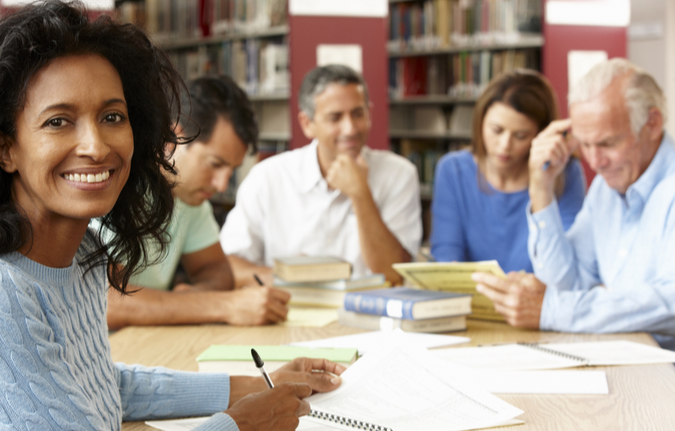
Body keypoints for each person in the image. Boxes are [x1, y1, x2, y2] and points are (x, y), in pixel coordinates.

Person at [0, 2, 344, 431]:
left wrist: (259, 384)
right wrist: (243, 426)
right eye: (59, 121)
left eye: (112, 116)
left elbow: (104, 385)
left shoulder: (82, 253)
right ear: (5, 147)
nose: (96, 146)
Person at [472, 58, 675, 350]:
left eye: (607, 143)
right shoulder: (606, 189)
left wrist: (553, 309)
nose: (594, 162)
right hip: (616, 357)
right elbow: (566, 284)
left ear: (652, 124)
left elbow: (669, 303)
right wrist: (541, 188)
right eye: (584, 144)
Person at [100, 76, 290, 329]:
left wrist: (191, 300)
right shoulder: (115, 187)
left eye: (231, 170)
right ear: (172, 139)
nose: (222, 184)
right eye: (215, 164)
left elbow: (217, 271)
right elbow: (105, 300)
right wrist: (220, 305)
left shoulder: (190, 197)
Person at [220, 65, 422, 286]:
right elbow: (228, 267)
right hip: (289, 312)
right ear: (307, 124)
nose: (350, 129)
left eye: (358, 114)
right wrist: (290, 275)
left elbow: (394, 276)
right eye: (335, 118)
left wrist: (360, 194)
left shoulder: (399, 174)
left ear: (370, 114)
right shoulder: (268, 177)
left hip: (368, 312)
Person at [431, 69, 586, 273]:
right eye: (496, 130)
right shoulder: (453, 170)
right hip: (469, 298)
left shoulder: (564, 173)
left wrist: (541, 186)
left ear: (540, 136)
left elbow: (565, 266)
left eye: (520, 136)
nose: (504, 146)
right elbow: (446, 256)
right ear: (480, 122)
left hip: (535, 301)